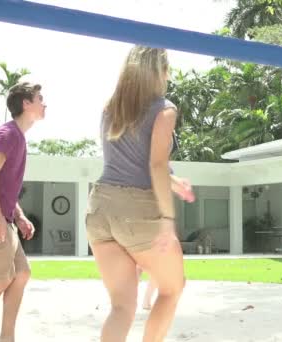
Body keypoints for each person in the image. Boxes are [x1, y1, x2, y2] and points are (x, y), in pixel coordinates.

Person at [86, 45, 194, 342]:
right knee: (172, 288)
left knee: (122, 307)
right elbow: (155, 164)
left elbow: (129, 161)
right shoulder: (164, 108)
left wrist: (173, 181)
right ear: (159, 72)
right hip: (137, 211)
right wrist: (167, 218)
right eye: (167, 68)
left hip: (100, 208)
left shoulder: (111, 107)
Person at [0, 82, 44, 342]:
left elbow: (4, 187)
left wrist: (19, 215)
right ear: (26, 103)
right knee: (2, 277)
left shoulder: (18, 136)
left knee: (21, 273)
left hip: (1, 215)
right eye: (40, 98)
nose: (44, 103)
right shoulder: (8, 135)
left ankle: (6, 338)